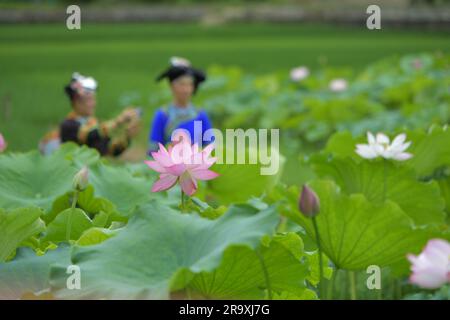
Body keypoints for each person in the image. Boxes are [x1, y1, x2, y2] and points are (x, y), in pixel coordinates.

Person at [41, 72, 140, 156]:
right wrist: (119, 121)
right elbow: (90, 134)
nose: (93, 104)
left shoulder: (95, 123)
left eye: (93, 99)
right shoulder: (68, 125)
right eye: (88, 100)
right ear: (76, 102)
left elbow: (110, 150)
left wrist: (127, 137)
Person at [148, 57, 213, 154]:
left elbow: (210, 146)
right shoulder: (162, 115)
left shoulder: (200, 115)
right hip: (169, 167)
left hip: (196, 165)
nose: (186, 90)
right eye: (181, 84)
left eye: (189, 85)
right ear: (171, 86)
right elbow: (153, 150)